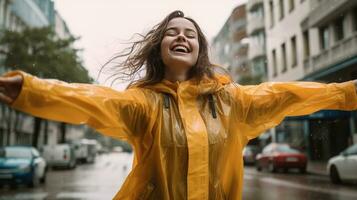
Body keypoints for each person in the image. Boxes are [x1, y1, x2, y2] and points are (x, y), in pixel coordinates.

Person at [0, 10, 357, 200]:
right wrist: (31, 89)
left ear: (200, 49)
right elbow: (91, 100)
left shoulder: (234, 101)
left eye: (190, 33)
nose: (181, 36)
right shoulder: (143, 103)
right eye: (172, 32)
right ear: (159, 47)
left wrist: (348, 92)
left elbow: (287, 94)